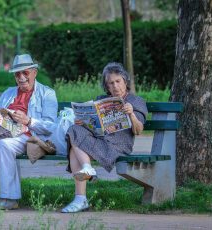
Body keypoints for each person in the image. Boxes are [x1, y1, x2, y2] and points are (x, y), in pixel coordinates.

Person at [0, 54, 58, 210]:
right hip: (4, 135)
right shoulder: (8, 93)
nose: (21, 77)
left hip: (30, 137)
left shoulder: (47, 93)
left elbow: (51, 126)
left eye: (25, 73)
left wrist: (28, 121)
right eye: (17, 74)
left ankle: (10, 198)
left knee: (4, 145)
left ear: (34, 73)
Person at [61, 62, 148, 213]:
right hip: (99, 141)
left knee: (74, 150)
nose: (115, 86)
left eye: (118, 81)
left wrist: (131, 114)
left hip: (117, 147)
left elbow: (138, 130)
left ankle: (80, 198)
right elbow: (93, 126)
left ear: (125, 81)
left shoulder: (136, 101)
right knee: (74, 129)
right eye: (110, 83)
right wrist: (83, 122)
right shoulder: (101, 99)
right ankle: (87, 170)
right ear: (106, 86)